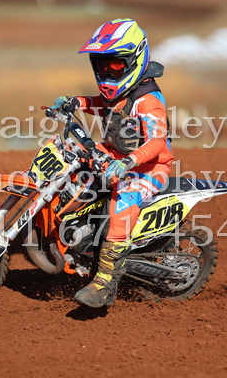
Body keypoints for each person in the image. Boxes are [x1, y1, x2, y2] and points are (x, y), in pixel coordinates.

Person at [49, 18, 173, 308]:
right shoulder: (116, 93)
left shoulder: (147, 100)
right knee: (70, 166)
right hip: (114, 154)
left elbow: (157, 142)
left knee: (122, 203)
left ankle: (104, 284)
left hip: (147, 168)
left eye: (115, 66)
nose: (106, 74)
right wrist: (75, 102)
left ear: (135, 60)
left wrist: (129, 161)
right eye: (101, 67)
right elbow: (100, 103)